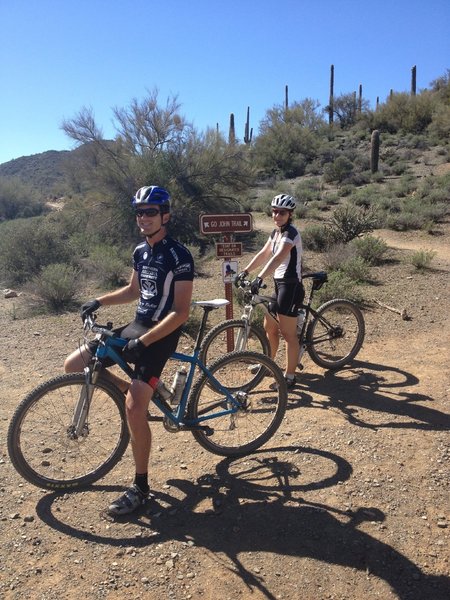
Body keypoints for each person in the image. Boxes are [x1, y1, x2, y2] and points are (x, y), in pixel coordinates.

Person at [64, 185, 194, 516]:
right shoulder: (140, 251)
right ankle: (142, 391)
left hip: (161, 334)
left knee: (135, 411)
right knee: (74, 364)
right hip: (136, 326)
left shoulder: (180, 256)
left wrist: (145, 341)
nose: (144, 218)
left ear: (165, 215)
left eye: (151, 212)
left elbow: (181, 312)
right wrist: (99, 300)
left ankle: (141, 486)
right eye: (139, 212)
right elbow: (134, 290)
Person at [236, 194, 303, 389]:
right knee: (270, 327)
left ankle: (289, 377)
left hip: (291, 286)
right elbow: (264, 254)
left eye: (282, 212)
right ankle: (268, 364)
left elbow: (278, 257)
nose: (277, 215)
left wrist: (260, 278)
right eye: (274, 211)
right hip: (279, 285)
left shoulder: (291, 233)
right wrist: (246, 271)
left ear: (290, 214)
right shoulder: (275, 233)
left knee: (288, 333)